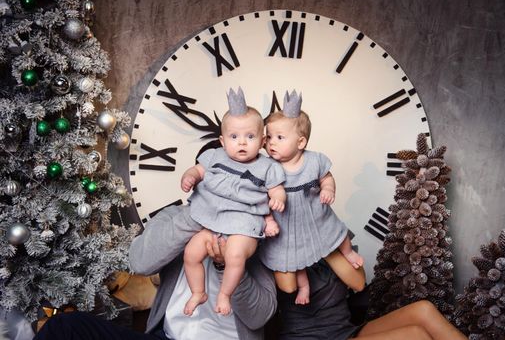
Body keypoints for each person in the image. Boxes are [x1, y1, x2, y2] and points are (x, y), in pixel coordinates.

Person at [34, 204, 277, 340]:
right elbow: (140, 263)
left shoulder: (257, 232)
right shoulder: (177, 218)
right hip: (168, 339)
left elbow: (259, 316)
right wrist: (197, 218)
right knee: (64, 327)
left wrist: (226, 265)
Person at [180, 87, 286, 316]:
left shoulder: (268, 166)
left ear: (263, 141)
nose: (242, 143)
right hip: (214, 223)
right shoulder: (214, 156)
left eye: (250, 136)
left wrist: (277, 198)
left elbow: (276, 188)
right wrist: (190, 176)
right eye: (234, 137)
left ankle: (224, 294)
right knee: (191, 253)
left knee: (235, 255)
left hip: (243, 226)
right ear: (222, 140)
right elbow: (197, 170)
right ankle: (198, 292)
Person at [260, 90, 364, 304]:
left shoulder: (314, 161)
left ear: (301, 142)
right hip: (286, 227)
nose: (271, 143)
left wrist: (328, 190)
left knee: (337, 232)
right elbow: (259, 198)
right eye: (269, 137)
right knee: (296, 261)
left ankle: (349, 254)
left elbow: (327, 178)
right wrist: (268, 218)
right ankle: (304, 288)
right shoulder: (267, 166)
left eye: (280, 137)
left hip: (316, 216)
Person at [277, 259, 467, 340]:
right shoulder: (275, 238)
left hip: (346, 332)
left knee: (423, 310)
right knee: (415, 336)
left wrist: (323, 237)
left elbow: (358, 282)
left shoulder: (327, 228)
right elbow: (288, 285)